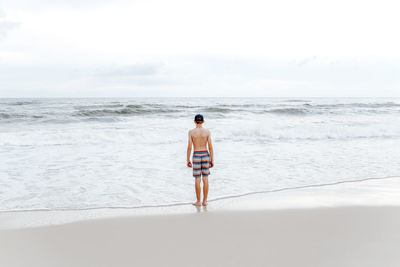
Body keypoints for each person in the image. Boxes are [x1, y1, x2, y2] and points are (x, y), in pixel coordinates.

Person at [187, 114, 214, 206]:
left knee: (197, 179)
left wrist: (187, 159)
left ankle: (198, 201)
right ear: (203, 121)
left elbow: (189, 147)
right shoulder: (207, 132)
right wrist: (212, 160)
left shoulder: (191, 132)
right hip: (205, 154)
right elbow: (210, 146)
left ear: (194, 121)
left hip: (196, 155)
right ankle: (205, 201)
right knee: (205, 179)